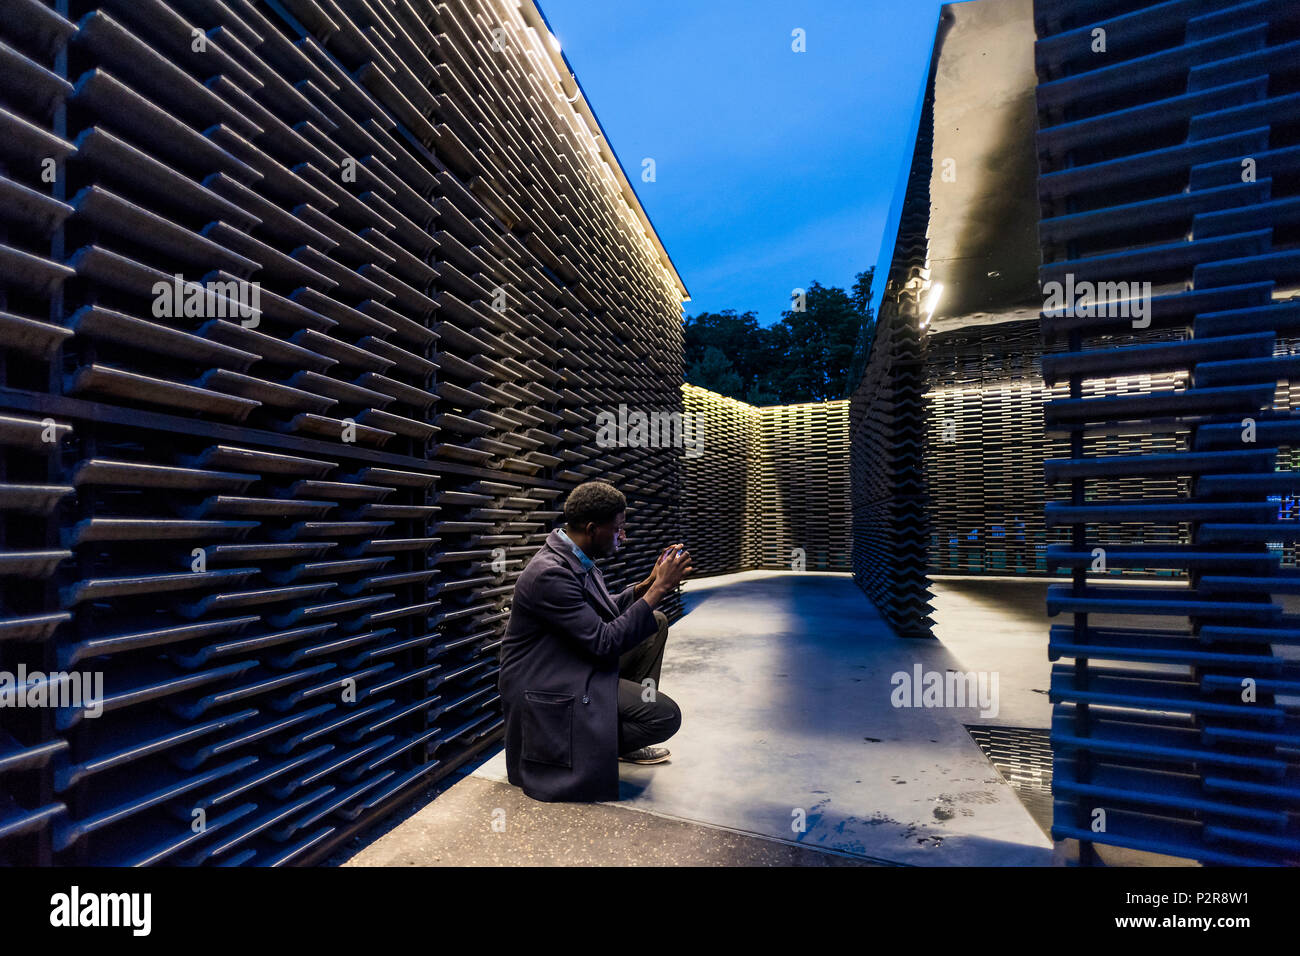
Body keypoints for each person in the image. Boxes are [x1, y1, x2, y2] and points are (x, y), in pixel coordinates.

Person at [498, 480, 692, 802]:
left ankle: (611, 732)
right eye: (618, 529)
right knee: (664, 716)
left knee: (654, 623)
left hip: (568, 662)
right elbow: (604, 640)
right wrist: (659, 590)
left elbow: (602, 611)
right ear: (592, 529)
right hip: (547, 683)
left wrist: (647, 584)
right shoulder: (550, 574)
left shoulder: (575, 559)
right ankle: (602, 742)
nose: (623, 536)